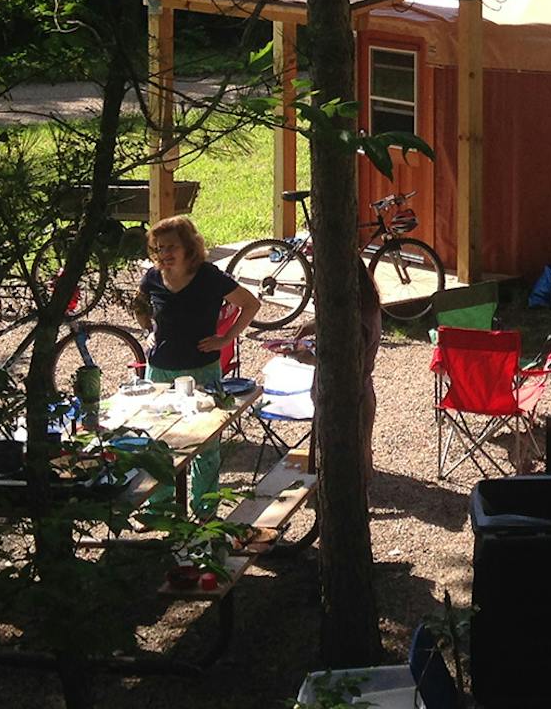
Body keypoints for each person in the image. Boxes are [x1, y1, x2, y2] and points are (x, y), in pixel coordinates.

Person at [132, 215, 260, 515]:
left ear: (189, 247)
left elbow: (251, 304)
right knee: (159, 442)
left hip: (202, 369)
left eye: (171, 247)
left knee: (206, 445)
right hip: (160, 370)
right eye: (159, 247)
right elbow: (139, 305)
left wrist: (225, 337)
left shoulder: (208, 276)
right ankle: (160, 509)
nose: (164, 253)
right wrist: (148, 331)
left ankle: (205, 511)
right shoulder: (152, 277)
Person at [275, 258, 382, 483]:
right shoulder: (364, 305)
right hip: (352, 392)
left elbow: (347, 364)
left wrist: (309, 358)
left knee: (348, 465)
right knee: (354, 453)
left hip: (347, 398)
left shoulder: (358, 322)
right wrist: (315, 324)